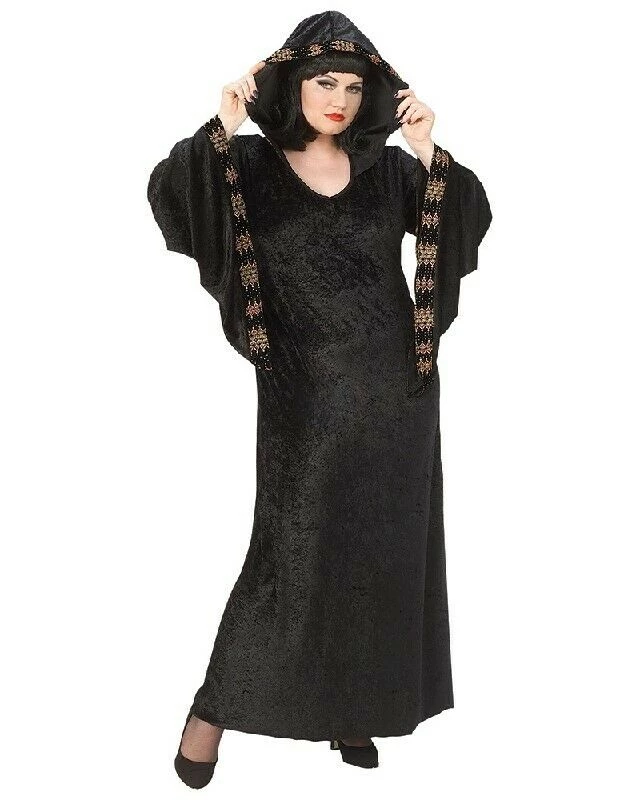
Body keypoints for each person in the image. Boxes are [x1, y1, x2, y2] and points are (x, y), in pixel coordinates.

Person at [147, 10, 492, 786]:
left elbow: (466, 220)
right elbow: (172, 194)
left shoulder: (390, 171)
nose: (338, 99)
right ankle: (210, 713)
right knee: (288, 560)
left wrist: (428, 149)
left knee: (377, 555)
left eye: (353, 87)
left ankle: (353, 709)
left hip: (397, 396)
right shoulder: (248, 164)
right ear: (292, 85)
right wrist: (222, 123)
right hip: (302, 395)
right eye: (323, 82)